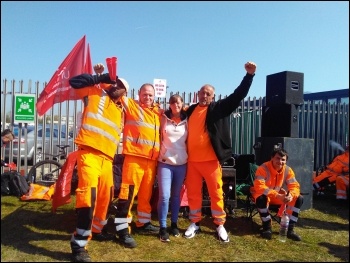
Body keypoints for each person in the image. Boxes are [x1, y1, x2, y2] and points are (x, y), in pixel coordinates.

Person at [183, 61, 257, 243]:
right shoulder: (191, 110)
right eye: (202, 92)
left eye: (208, 93)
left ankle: (220, 224)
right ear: (197, 94)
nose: (205, 95)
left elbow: (238, 96)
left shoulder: (218, 108)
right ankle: (195, 222)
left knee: (216, 193)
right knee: (193, 193)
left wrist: (249, 76)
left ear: (213, 96)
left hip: (211, 161)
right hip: (192, 162)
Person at [68, 63, 129, 262]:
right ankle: (79, 244)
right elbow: (73, 81)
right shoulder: (95, 92)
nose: (116, 85)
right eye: (115, 81)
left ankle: (97, 229)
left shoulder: (120, 110)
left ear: (124, 93)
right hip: (89, 155)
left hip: (107, 161)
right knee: (89, 198)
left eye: (120, 85)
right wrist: (99, 77)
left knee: (105, 198)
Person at [250, 148, 303, 241]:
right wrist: (278, 195)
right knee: (262, 198)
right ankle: (267, 228)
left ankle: (290, 229)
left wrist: (291, 196)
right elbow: (260, 187)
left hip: (277, 196)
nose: (280, 161)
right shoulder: (263, 168)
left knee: (299, 198)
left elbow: (295, 186)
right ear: (272, 158)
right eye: (278, 158)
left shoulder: (288, 170)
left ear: (286, 161)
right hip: (261, 194)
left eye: (283, 159)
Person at [156, 94, 188, 242]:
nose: (176, 105)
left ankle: (174, 224)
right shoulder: (163, 118)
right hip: (165, 162)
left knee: (176, 196)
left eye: (179, 102)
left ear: (182, 104)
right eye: (173, 102)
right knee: (164, 196)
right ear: (170, 105)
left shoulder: (188, 119)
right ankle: (163, 227)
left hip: (181, 163)